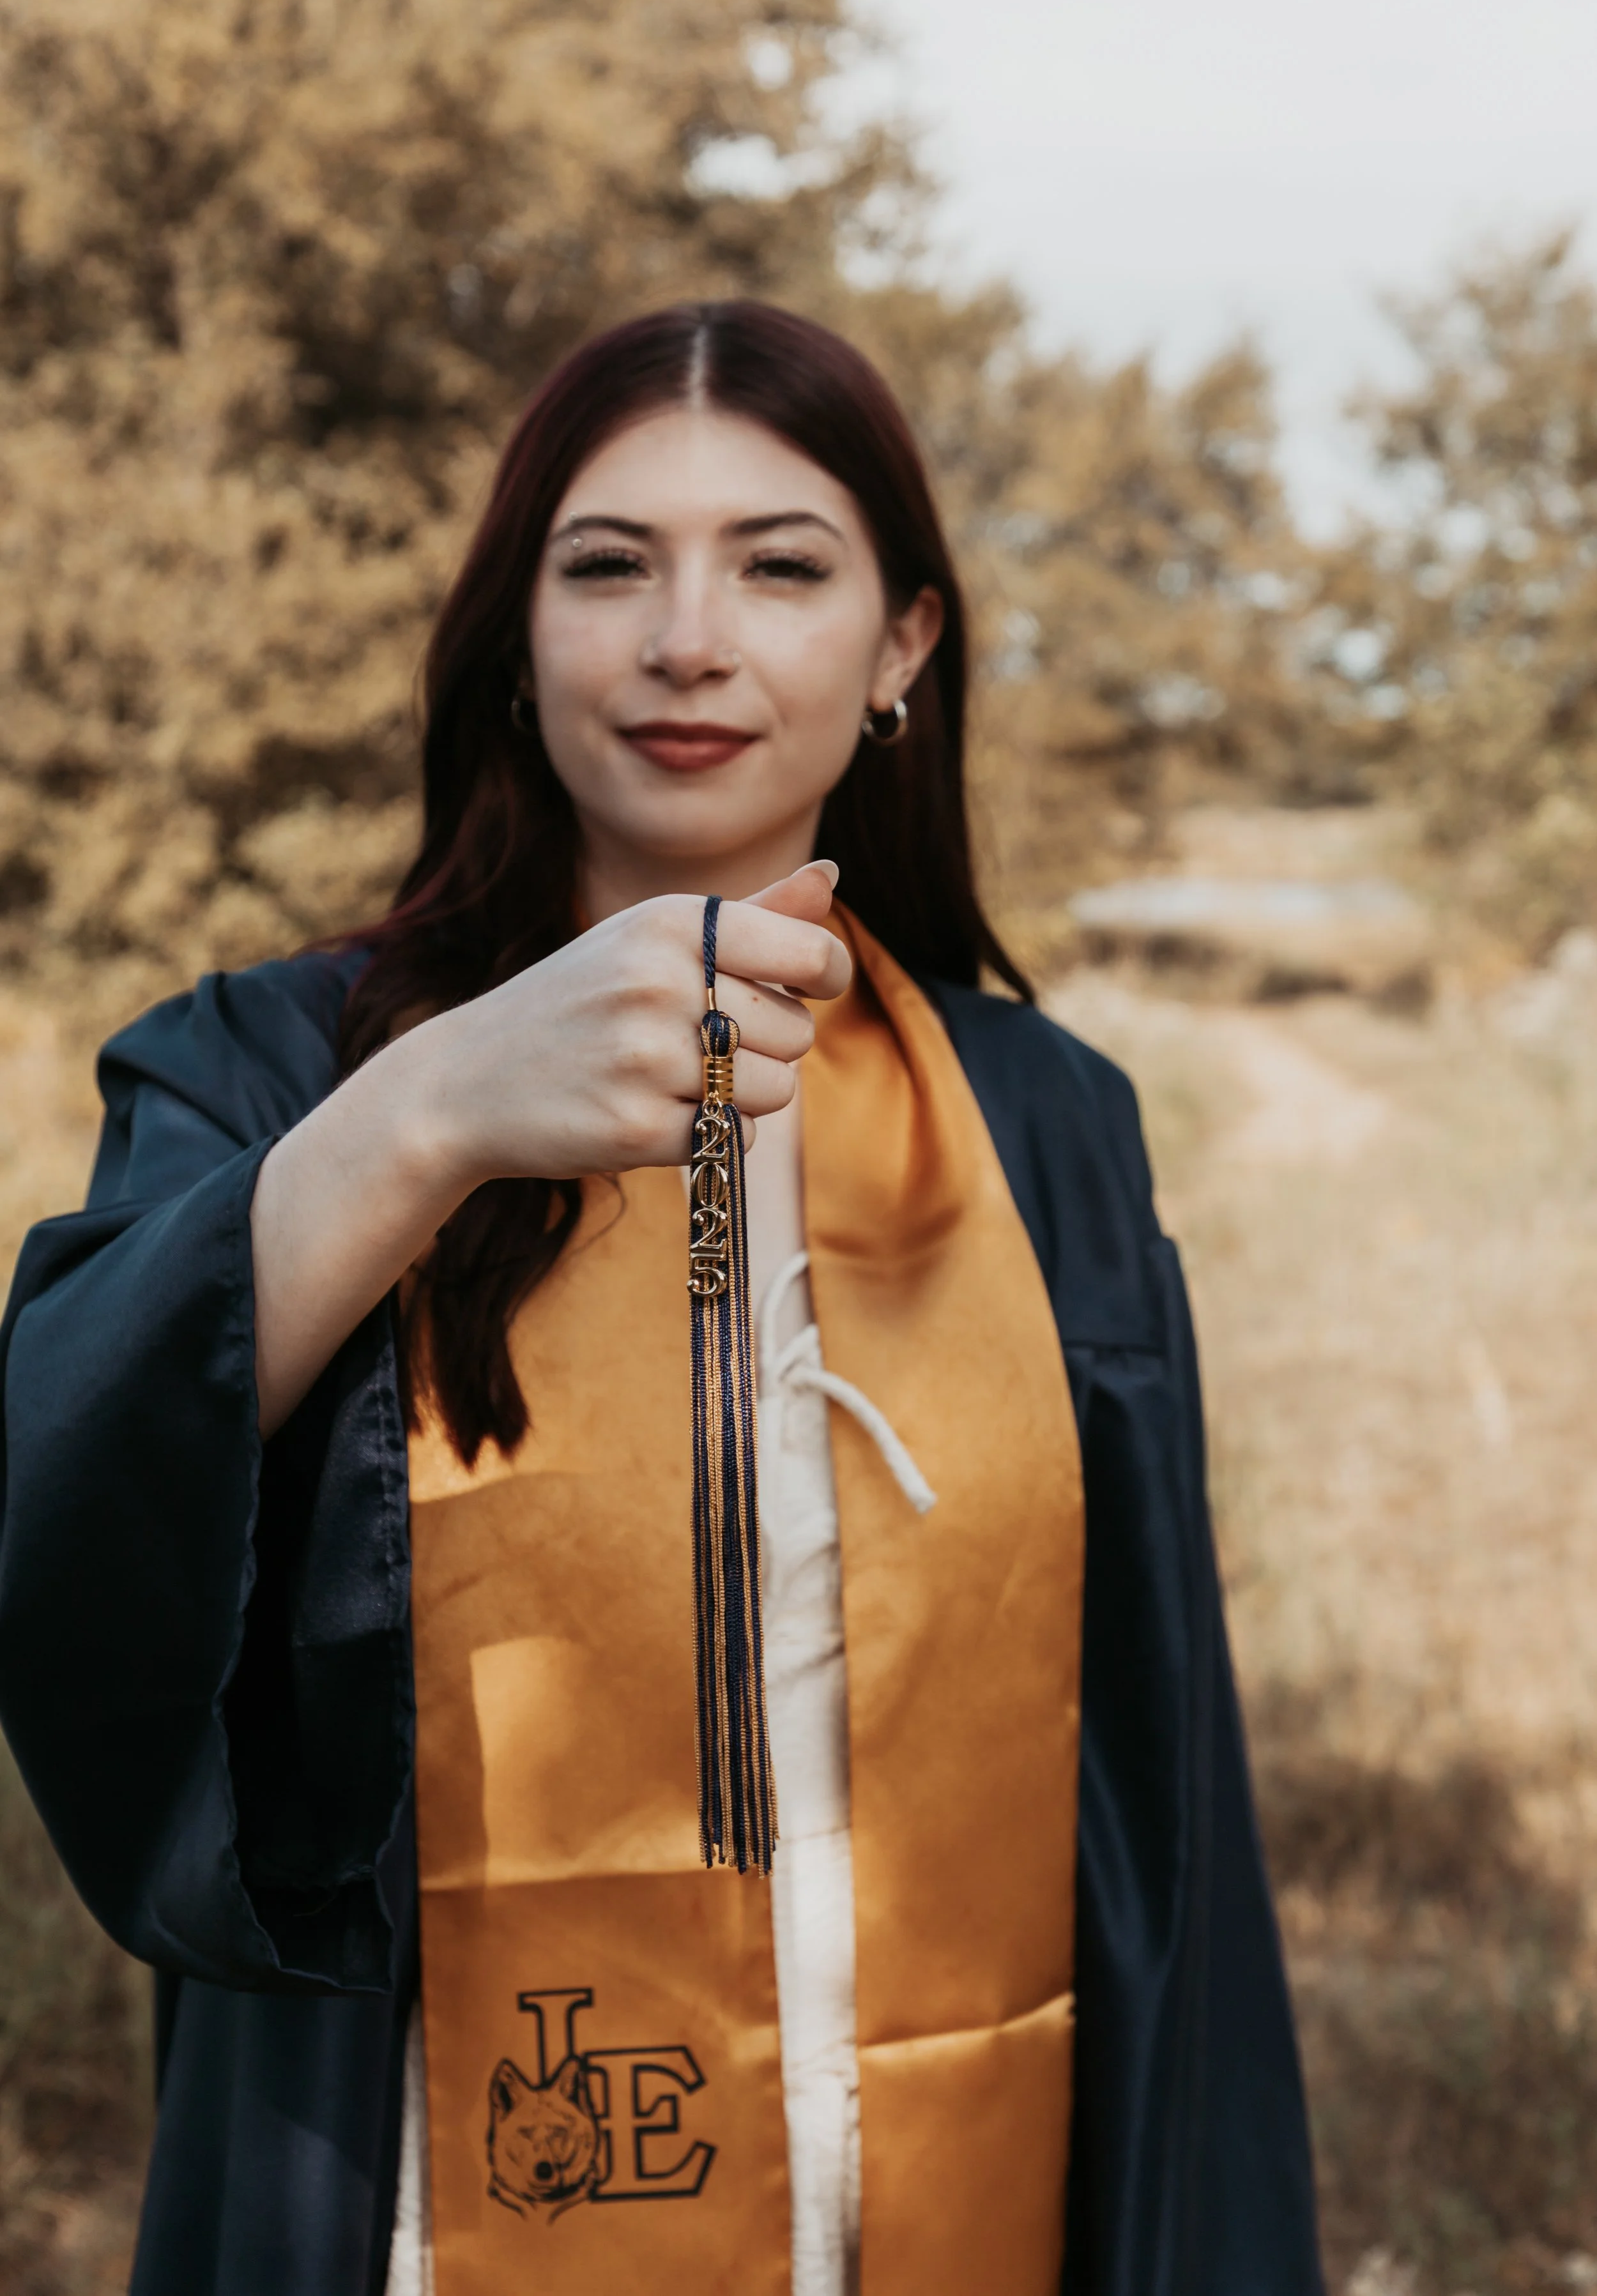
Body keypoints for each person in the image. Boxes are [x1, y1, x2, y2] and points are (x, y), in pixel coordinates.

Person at [0, 301, 1322, 2296]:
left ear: (899, 649)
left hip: (938, 2172)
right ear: (514, 643)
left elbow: (1155, 1791)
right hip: (425, 2192)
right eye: (606, 564)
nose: (684, 638)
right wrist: (423, 1117)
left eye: (779, 566)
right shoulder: (276, 1069)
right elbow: (62, 1497)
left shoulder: (1043, 1131)